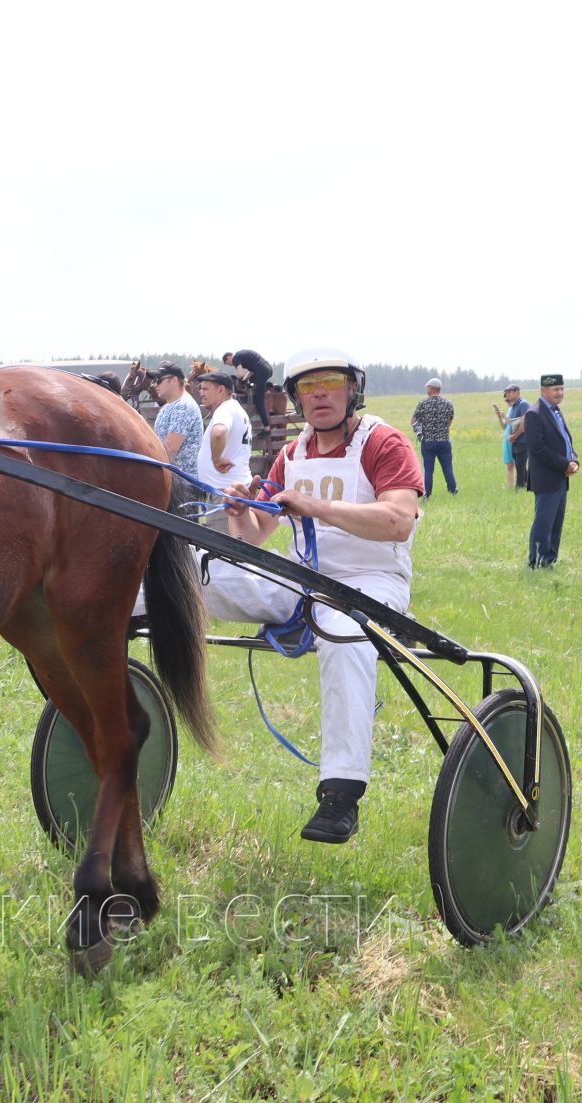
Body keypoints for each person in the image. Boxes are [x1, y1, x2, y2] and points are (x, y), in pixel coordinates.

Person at [205, 349, 424, 843]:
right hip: (304, 579)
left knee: (344, 632)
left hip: (371, 583)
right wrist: (239, 510)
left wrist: (317, 506)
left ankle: (341, 794)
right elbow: (258, 533)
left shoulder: (382, 442)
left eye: (330, 382)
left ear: (353, 391)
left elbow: (398, 520)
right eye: (307, 386)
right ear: (297, 399)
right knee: (204, 570)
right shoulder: (293, 453)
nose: (320, 393)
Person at [521, 374, 581, 567]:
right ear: (543, 391)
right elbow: (538, 450)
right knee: (543, 523)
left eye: (562, 389)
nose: (560, 393)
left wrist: (574, 460)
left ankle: (550, 560)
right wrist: (565, 465)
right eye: (556, 390)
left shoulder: (556, 411)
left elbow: (564, 441)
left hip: (561, 478)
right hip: (546, 478)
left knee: (556, 523)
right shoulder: (534, 414)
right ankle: (537, 562)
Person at [194, 371, 252, 532]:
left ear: (221, 390)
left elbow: (219, 432)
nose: (201, 393)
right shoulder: (235, 409)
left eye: (205, 389)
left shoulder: (225, 409)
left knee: (221, 550)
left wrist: (216, 459)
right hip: (228, 490)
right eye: (200, 389)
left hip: (225, 493)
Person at [148, 361, 204, 505]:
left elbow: (171, 448)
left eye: (158, 380)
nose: (154, 385)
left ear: (173, 380)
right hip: (173, 483)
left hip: (183, 487)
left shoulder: (184, 406)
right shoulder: (168, 407)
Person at [411, 376, 457, 497]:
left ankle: (427, 493)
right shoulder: (448, 403)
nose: (427, 389)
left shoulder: (423, 403)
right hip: (444, 441)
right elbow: (450, 420)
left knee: (428, 470)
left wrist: (419, 430)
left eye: (428, 387)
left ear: (431, 388)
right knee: (447, 467)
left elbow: (413, 421)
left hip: (428, 442)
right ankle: (453, 490)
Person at [492, 382, 531, 489]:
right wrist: (501, 417)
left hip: (522, 440)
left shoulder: (523, 404)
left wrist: (514, 436)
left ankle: (519, 489)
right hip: (514, 442)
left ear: (517, 392)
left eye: (509, 392)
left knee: (520, 467)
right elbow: (510, 425)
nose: (507, 395)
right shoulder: (513, 407)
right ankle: (530, 485)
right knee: (520, 467)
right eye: (506, 393)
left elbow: (524, 423)